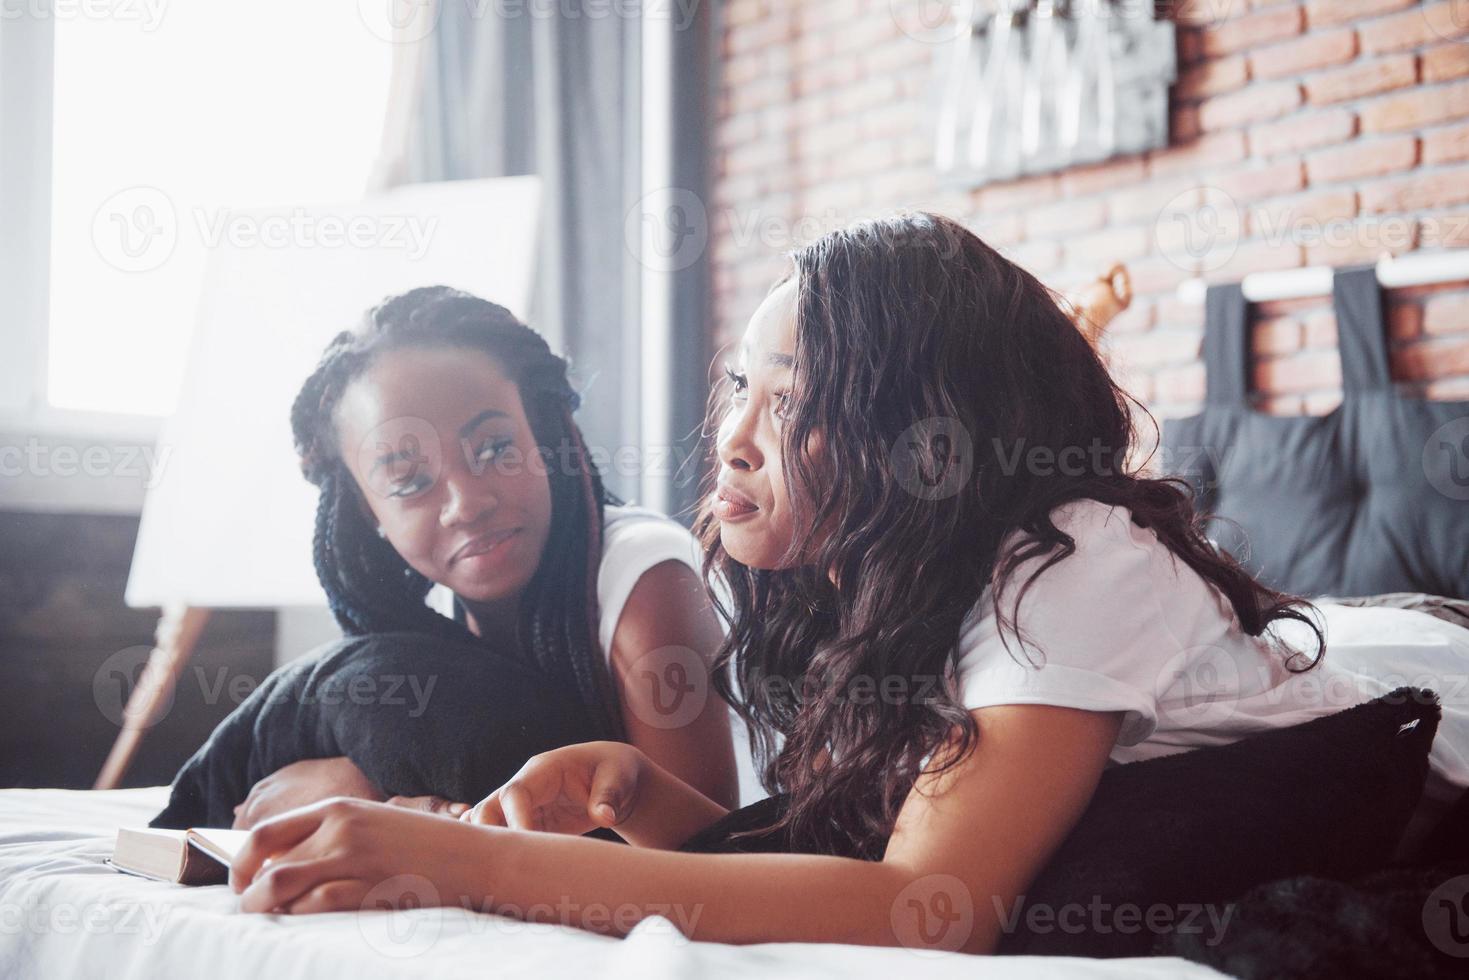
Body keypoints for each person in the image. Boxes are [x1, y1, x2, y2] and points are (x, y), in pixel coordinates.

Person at [227, 215, 1469, 954]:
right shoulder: (874, 591)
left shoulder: (1070, 562)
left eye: (797, 402)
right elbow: (856, 843)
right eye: (737, 390)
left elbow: (928, 906)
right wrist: (635, 791)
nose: (733, 441)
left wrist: (471, 866)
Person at [154, 286, 736, 830]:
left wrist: (376, 805)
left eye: (495, 448)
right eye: (409, 481)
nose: (466, 503)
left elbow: (708, 855)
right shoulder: (440, 633)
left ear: (544, 434)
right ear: (368, 516)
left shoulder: (646, 580)